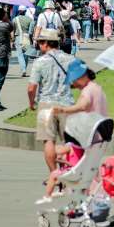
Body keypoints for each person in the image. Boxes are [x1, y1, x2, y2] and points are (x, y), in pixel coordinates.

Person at [27, 28, 75, 174]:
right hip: (67, 104)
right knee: (69, 142)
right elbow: (77, 81)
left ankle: (54, 174)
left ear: (47, 43)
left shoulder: (39, 62)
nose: (39, 45)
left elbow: (31, 88)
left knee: (48, 141)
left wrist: (31, 103)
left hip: (46, 105)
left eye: (41, 42)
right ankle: (68, 171)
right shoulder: (70, 59)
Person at [13, 8, 35, 77]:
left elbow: (13, 29)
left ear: (18, 11)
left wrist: (12, 39)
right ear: (25, 11)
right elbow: (31, 31)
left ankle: (23, 69)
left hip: (18, 37)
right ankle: (24, 68)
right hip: (27, 37)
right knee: (26, 54)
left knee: (20, 55)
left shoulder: (15, 19)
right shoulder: (30, 19)